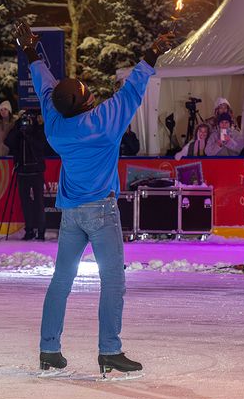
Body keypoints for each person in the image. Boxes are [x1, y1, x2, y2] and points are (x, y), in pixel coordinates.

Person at [18, 19, 167, 378]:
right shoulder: (104, 125)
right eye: (89, 95)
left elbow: (45, 88)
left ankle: (49, 350)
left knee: (61, 281)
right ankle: (109, 351)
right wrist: (151, 54)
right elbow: (131, 91)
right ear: (86, 103)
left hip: (70, 214)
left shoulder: (56, 127)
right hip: (101, 212)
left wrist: (31, 53)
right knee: (113, 280)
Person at [6, 111, 49, 241]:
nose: (27, 121)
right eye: (25, 119)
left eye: (29, 118)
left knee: (39, 202)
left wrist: (29, 135)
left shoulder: (38, 130)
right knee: (25, 203)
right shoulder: (19, 131)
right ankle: (29, 229)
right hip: (22, 171)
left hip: (36, 171)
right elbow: (8, 142)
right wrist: (17, 129)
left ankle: (41, 230)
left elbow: (42, 146)